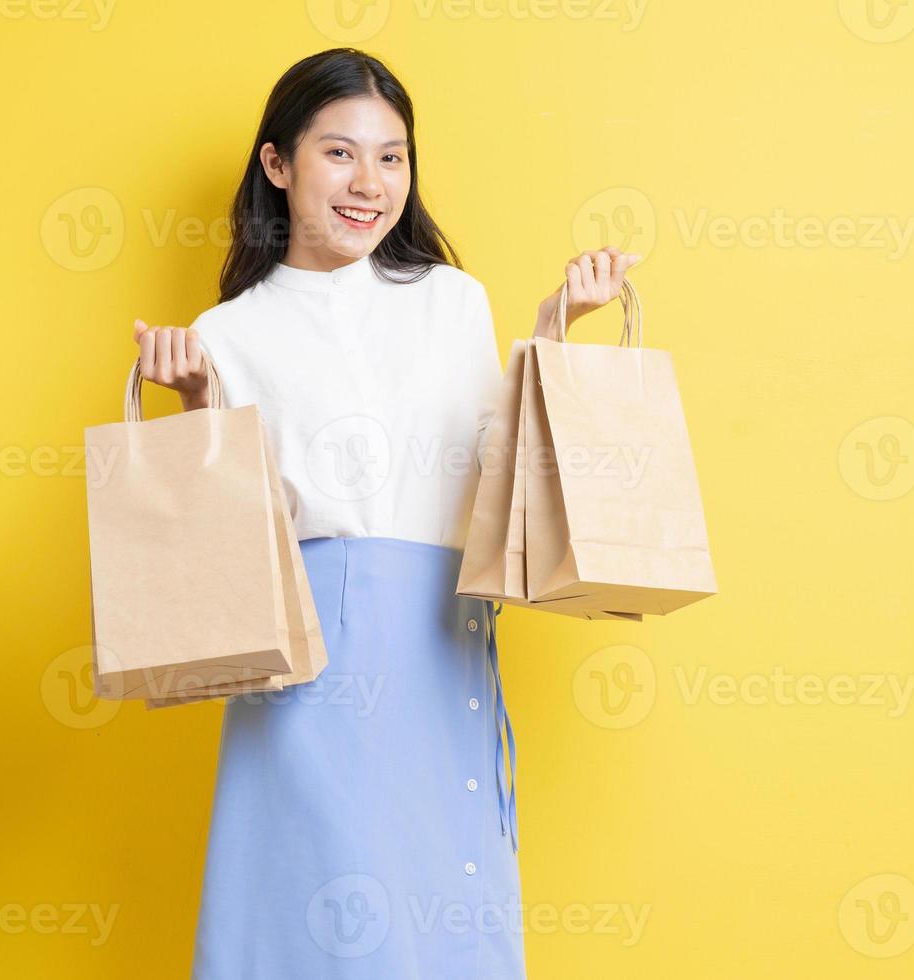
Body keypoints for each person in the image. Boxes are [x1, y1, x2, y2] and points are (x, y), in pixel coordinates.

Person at [129, 47, 639, 979]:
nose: (370, 184)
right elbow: (228, 532)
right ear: (276, 165)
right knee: (311, 910)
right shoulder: (224, 334)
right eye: (339, 154)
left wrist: (558, 329)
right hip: (307, 660)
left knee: (443, 915)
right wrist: (195, 405)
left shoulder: (452, 301)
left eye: (392, 157)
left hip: (442, 642)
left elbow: (501, 479)